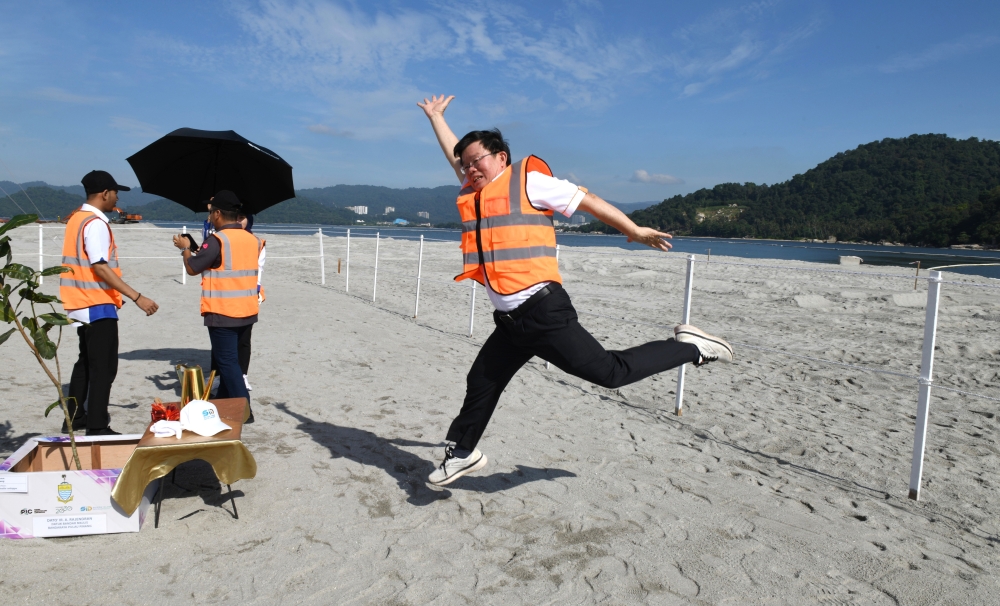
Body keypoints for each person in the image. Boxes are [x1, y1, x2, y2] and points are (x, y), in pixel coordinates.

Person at [417, 95, 735, 486]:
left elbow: (587, 201)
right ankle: (463, 453)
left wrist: (631, 230)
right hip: (510, 322)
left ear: (501, 157)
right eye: (464, 165)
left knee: (610, 373)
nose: (468, 168)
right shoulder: (476, 189)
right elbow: (456, 156)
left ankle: (693, 347)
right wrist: (436, 118)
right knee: (482, 380)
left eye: (476, 160)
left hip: (543, 312)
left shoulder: (528, 182)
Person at [61, 170, 159, 435]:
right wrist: (137, 297)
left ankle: (75, 417)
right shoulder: (95, 223)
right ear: (104, 193)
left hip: (79, 301)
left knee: (85, 362)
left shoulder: (76, 219)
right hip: (97, 302)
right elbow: (101, 267)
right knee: (103, 367)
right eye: (115, 192)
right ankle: (96, 425)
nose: (116, 197)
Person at [173, 191, 262, 423]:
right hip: (247, 309)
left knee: (227, 362)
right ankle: (222, 402)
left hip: (223, 310)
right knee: (232, 361)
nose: (209, 216)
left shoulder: (218, 240)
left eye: (211, 212)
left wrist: (185, 248)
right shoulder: (252, 239)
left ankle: (245, 410)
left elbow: (193, 268)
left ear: (219, 213)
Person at [236, 213, 265, 391]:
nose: (239, 221)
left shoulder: (257, 242)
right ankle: (217, 375)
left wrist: (256, 292)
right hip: (225, 296)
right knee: (221, 341)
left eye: (242, 217)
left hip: (248, 295)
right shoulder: (220, 237)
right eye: (236, 217)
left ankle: (243, 374)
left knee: (244, 338)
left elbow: (259, 269)